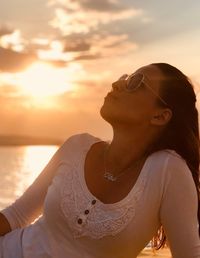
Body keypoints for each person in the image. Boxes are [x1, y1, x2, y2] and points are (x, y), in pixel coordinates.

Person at [0, 63, 199, 258]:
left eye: (136, 82)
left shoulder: (168, 171)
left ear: (159, 116)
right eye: (124, 77)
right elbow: (17, 215)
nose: (117, 84)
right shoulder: (77, 146)